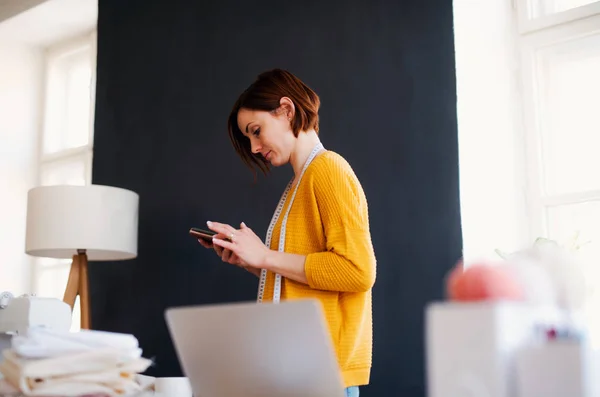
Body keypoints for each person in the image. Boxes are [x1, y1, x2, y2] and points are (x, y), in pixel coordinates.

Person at [198, 69, 376, 397]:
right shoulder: (300, 182)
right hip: (302, 368)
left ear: (287, 110)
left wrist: (266, 255)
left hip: (325, 372)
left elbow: (357, 271)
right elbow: (312, 277)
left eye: (256, 131)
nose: (253, 147)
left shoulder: (327, 169)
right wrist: (252, 261)